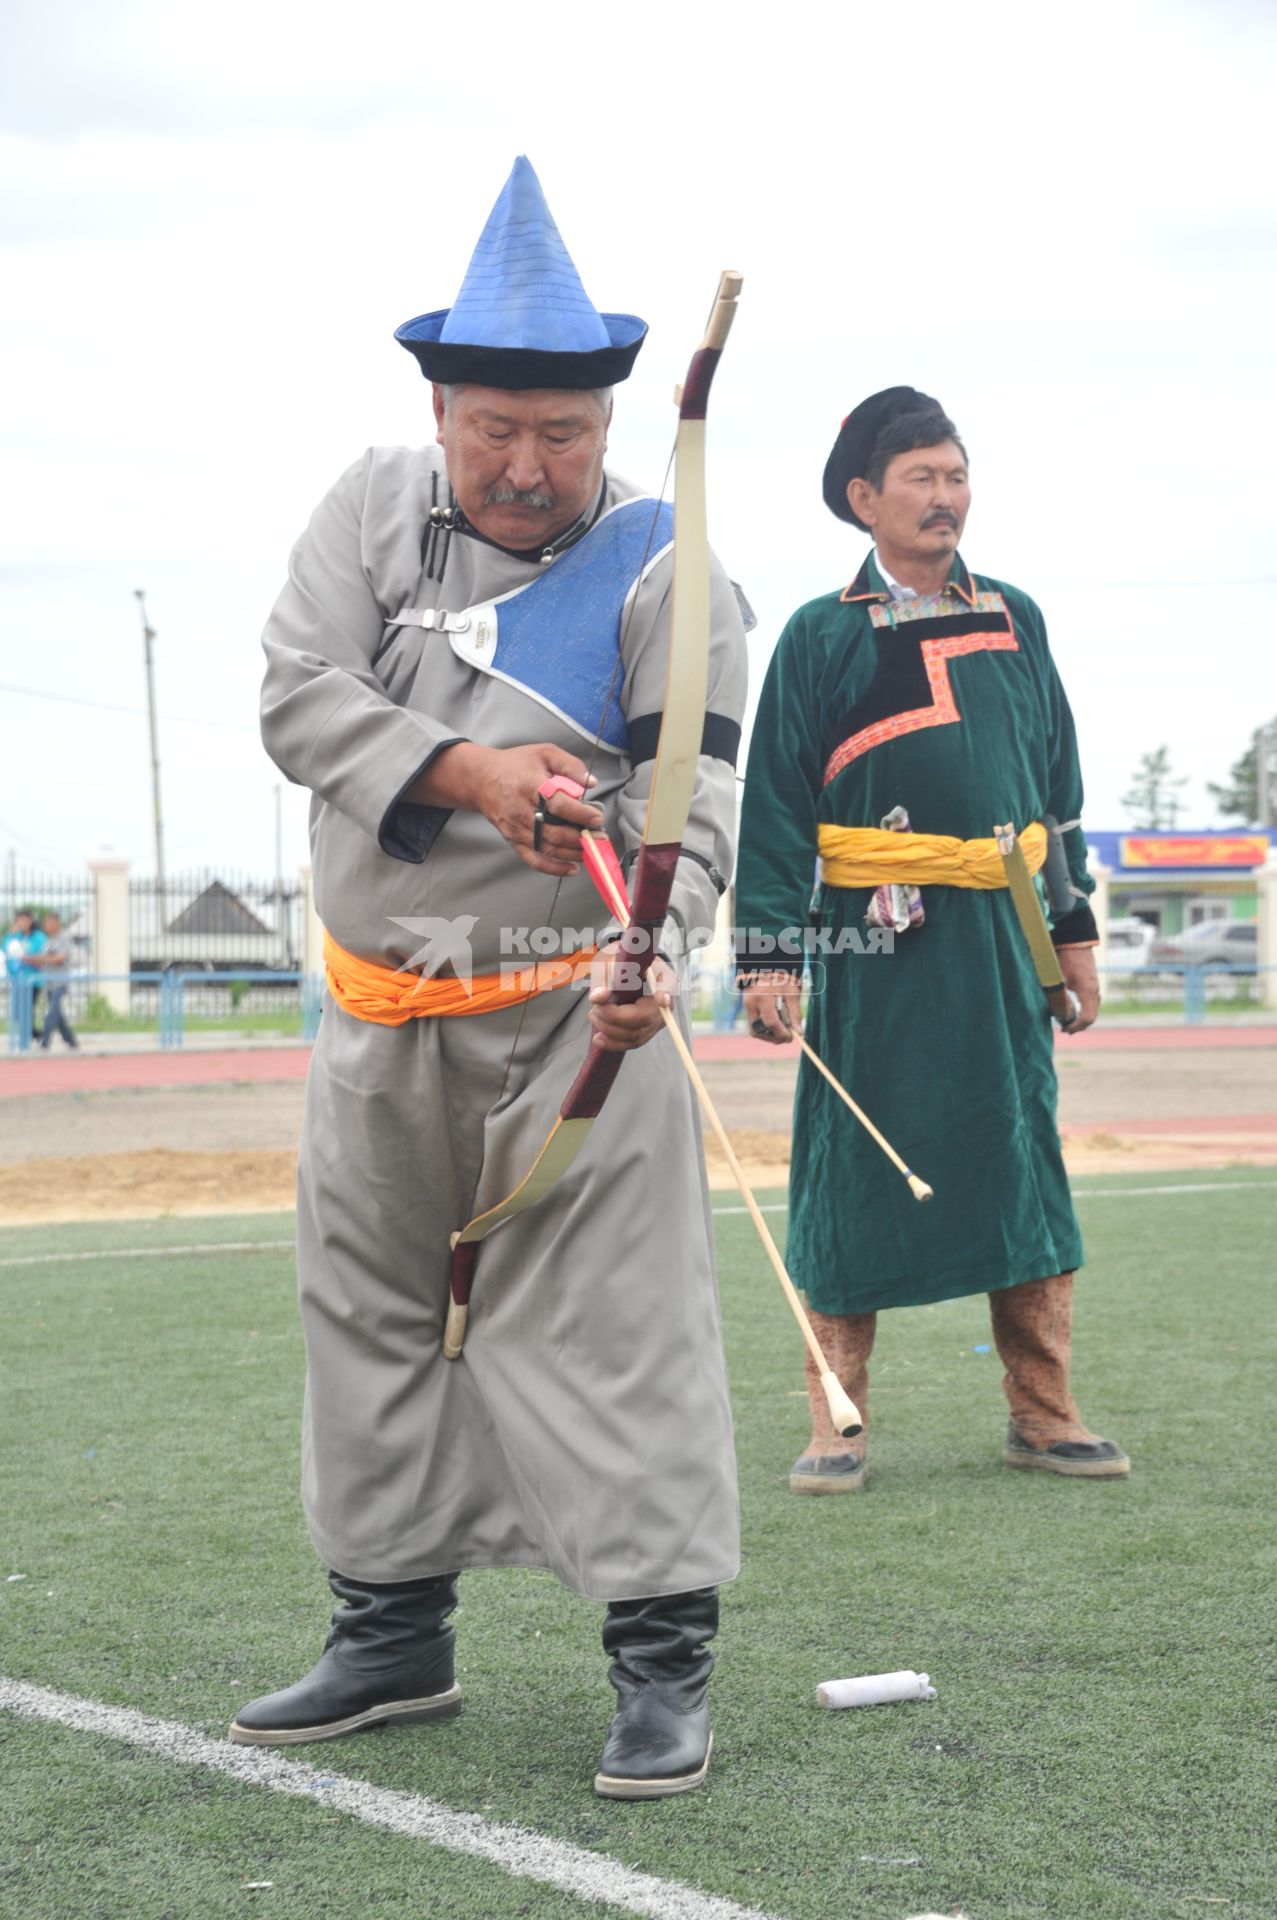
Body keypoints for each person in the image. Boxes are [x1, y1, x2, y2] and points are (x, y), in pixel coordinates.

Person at [237, 158, 747, 1798]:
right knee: (371, 1324)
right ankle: (391, 1634)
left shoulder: (673, 566)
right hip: (380, 1024)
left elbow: (700, 800)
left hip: (565, 1024)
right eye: (494, 430)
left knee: (620, 1336)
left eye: (565, 435)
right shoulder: (370, 508)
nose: (528, 468)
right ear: (438, 409)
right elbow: (296, 698)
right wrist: (468, 774)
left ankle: (659, 1667)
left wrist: (647, 957)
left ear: (611, 428)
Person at [734, 386, 1128, 1494]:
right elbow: (771, 810)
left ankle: (1041, 1412)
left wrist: (1072, 925)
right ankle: (835, 1421)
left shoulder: (1014, 616)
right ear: (862, 500)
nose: (944, 496)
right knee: (850, 1168)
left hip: (1001, 939)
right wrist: (770, 957)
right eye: (920, 478)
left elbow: (1054, 789)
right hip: (872, 943)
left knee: (1018, 1160)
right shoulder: (820, 634)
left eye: (955, 476)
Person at [35, 912, 79, 1050]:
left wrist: (46, 958)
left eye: (48, 923)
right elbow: (44, 957)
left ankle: (45, 1041)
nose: (46, 926)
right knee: (58, 1015)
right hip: (49, 982)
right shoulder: (49, 940)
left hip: (60, 982)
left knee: (52, 1012)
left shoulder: (64, 938)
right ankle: (71, 1040)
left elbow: (61, 957)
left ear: (56, 923)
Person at [3, 907, 46, 1044]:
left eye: (24, 920)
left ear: (31, 921)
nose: (21, 923)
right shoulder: (15, 936)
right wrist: (11, 934)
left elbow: (37, 954)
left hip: (32, 980)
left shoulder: (38, 936)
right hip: (17, 979)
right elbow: (5, 948)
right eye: (19, 920)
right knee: (16, 1013)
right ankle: (37, 1035)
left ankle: (25, 1041)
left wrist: (26, 956)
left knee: (27, 1011)